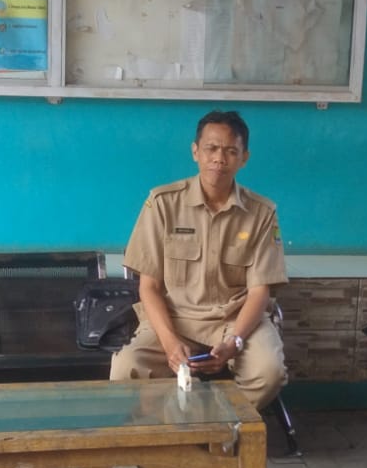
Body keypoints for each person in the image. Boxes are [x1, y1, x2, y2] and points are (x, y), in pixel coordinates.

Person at [110, 109, 289, 409]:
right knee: (126, 368)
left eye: (231, 151)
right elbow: (149, 287)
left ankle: (220, 425)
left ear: (244, 158)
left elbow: (260, 292)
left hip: (235, 320)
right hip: (176, 317)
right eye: (211, 148)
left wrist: (234, 342)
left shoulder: (261, 213)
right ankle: (171, 426)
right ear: (195, 151)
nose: (219, 158)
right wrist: (169, 343)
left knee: (268, 373)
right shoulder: (163, 203)